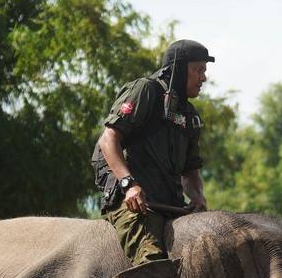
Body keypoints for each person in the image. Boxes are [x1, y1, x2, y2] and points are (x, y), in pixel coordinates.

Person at [91, 39, 213, 265]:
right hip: (133, 203)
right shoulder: (145, 90)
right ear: (178, 70)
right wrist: (129, 185)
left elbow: (190, 171)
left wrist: (197, 197)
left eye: (204, 71)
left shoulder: (190, 115)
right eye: (198, 70)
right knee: (153, 265)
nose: (203, 78)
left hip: (171, 205)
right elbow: (108, 140)